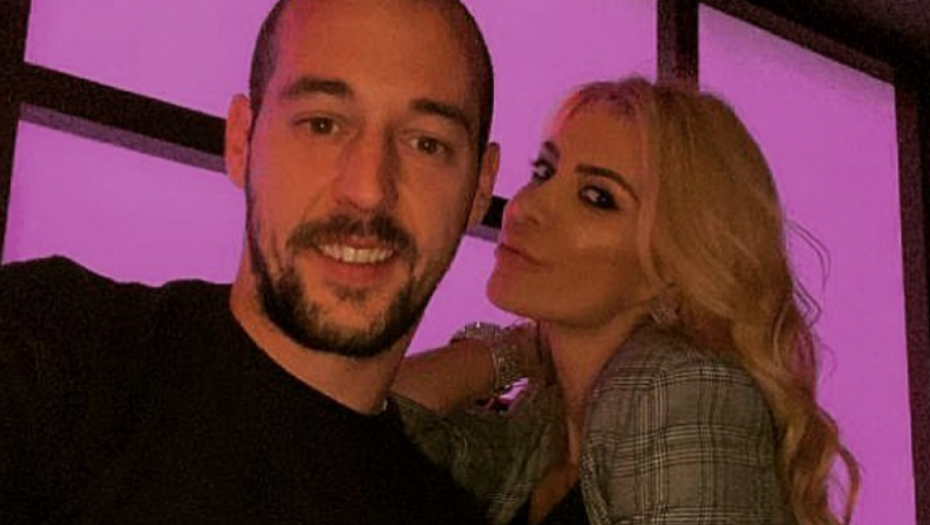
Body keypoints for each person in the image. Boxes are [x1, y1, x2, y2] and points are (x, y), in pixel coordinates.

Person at [0, 0, 500, 523]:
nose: (369, 190)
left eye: (426, 144)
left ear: (481, 188)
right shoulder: (59, 343)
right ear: (241, 141)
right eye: (322, 125)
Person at [394, 77, 860, 525]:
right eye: (543, 173)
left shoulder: (680, 387)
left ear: (673, 264)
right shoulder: (541, 427)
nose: (524, 208)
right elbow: (376, 436)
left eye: (597, 197)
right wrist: (515, 349)